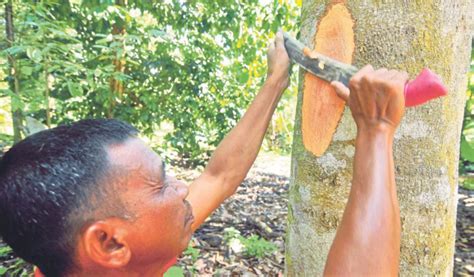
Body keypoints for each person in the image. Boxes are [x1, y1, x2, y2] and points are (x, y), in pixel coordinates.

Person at [0, 30, 408, 276]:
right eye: (160, 185)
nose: (182, 189)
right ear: (108, 244)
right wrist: (376, 131)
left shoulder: (92, 261)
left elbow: (218, 177)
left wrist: (274, 82)